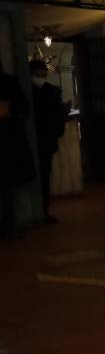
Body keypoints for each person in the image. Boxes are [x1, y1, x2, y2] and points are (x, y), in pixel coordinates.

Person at [29, 59, 67, 223]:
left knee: (44, 177)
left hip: (45, 140)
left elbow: (58, 115)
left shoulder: (50, 91)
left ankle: (43, 211)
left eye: (43, 74)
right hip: (35, 140)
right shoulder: (34, 91)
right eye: (38, 75)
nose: (41, 78)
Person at [0, 64, 34, 236]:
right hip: (8, 143)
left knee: (7, 188)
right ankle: (9, 225)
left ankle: (9, 225)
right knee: (7, 188)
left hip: (7, 144)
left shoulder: (8, 83)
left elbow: (22, 109)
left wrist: (9, 111)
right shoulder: (9, 82)